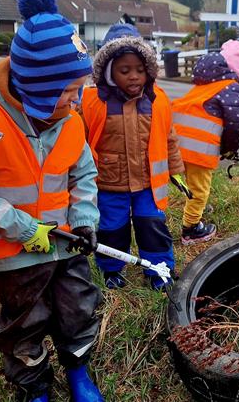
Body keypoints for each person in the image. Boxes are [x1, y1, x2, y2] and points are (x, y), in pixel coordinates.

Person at [0, 0, 104, 402]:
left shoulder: (70, 120)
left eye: (79, 88)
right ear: (39, 86)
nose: (76, 99)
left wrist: (85, 219)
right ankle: (34, 387)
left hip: (67, 244)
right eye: (69, 90)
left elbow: (84, 174)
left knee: (78, 309)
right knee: (24, 323)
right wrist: (22, 228)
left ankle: (78, 372)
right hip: (13, 256)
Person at [79, 24, 186, 291]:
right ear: (108, 70)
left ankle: (159, 269)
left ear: (148, 69)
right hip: (108, 183)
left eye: (139, 69)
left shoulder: (158, 100)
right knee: (111, 229)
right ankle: (111, 269)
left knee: (153, 226)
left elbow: (168, 136)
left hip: (149, 184)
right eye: (124, 70)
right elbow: (79, 139)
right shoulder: (92, 101)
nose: (134, 76)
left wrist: (175, 169)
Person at [172, 39, 239, 244]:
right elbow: (235, 124)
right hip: (197, 148)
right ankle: (191, 228)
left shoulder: (203, 85)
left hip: (176, 143)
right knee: (199, 189)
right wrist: (229, 149)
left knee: (193, 184)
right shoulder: (230, 87)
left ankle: (197, 206)